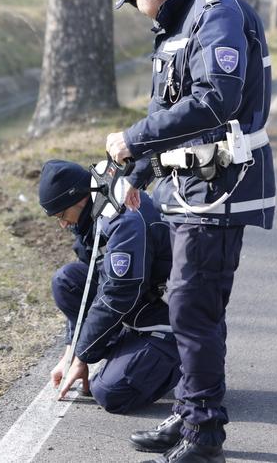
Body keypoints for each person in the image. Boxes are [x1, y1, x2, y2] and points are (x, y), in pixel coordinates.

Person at [105, 0, 274, 463]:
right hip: (188, 189)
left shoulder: (215, 13)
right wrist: (134, 170)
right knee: (194, 308)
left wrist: (132, 137)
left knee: (192, 307)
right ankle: (191, 411)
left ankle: (205, 436)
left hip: (220, 186)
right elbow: (168, 106)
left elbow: (214, 100)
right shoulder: (180, 23)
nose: (136, 9)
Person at [38, 159, 180, 414]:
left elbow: (116, 296)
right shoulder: (94, 212)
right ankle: (132, 355)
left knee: (110, 393)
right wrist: (70, 355)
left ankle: (180, 363)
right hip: (140, 307)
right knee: (67, 281)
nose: (62, 224)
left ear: (80, 199)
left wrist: (83, 358)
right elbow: (88, 292)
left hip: (171, 321)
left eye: (61, 215)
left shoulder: (124, 218)